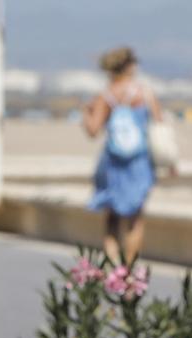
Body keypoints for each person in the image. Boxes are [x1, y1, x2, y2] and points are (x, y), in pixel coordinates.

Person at [81, 46, 163, 265]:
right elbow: (158, 125)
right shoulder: (144, 93)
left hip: (113, 162)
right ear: (130, 66)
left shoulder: (106, 95)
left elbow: (92, 130)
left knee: (112, 218)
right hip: (139, 162)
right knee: (135, 219)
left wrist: (87, 112)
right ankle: (130, 268)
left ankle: (114, 266)